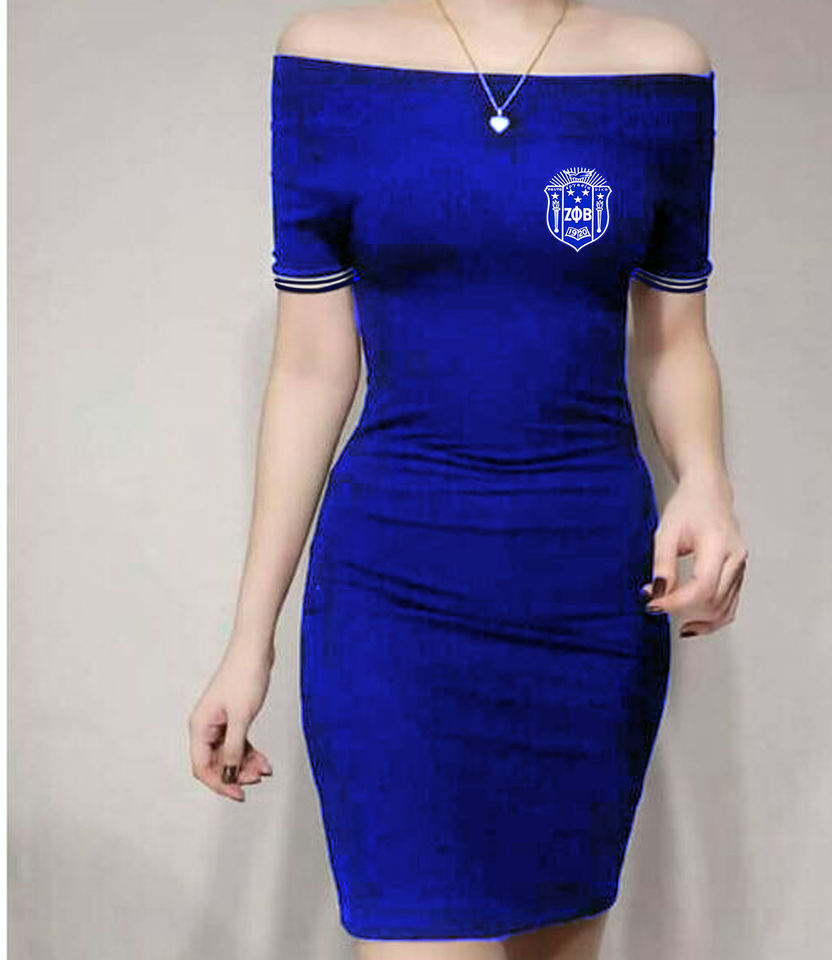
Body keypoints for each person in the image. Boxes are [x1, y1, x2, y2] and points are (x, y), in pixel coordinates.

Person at [189, 2, 748, 958]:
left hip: (586, 600)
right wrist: (251, 641)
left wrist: (706, 478)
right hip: (392, 592)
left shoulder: (660, 71)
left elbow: (673, 337)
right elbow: (311, 368)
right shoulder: (329, 60)